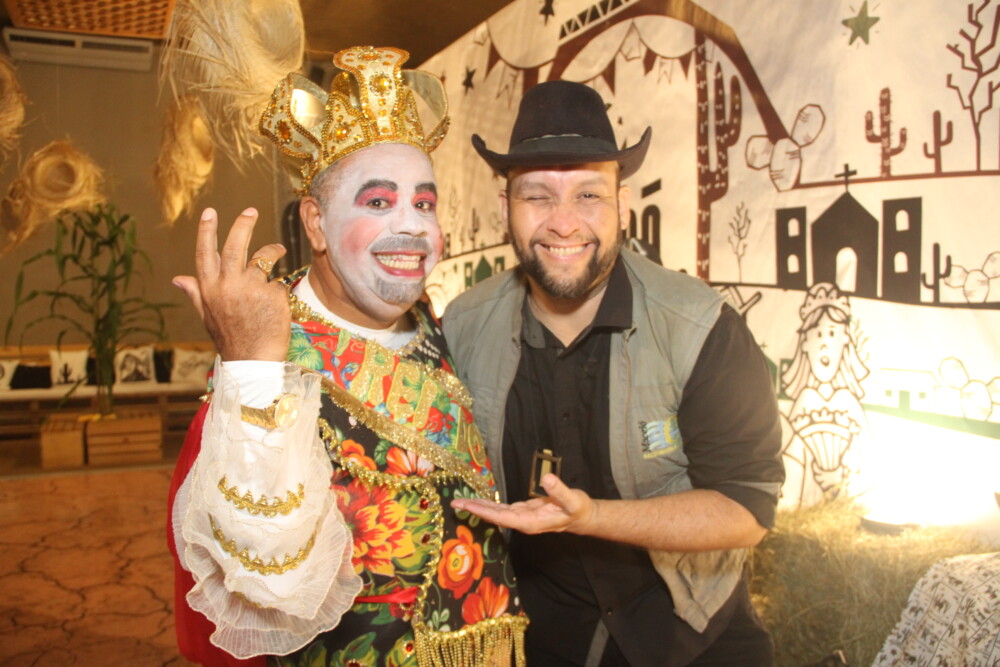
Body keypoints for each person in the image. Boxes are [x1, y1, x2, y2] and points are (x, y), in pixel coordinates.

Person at [166, 46, 527, 667]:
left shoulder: (434, 324)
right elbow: (257, 582)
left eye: (425, 203)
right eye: (379, 202)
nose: (413, 228)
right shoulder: (267, 356)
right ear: (316, 223)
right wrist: (249, 367)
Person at [443, 80, 785, 666]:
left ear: (623, 204)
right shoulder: (463, 326)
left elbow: (746, 509)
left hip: (690, 635)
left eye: (588, 195)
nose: (564, 223)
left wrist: (594, 518)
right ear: (505, 210)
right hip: (538, 638)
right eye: (537, 196)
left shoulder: (700, 325)